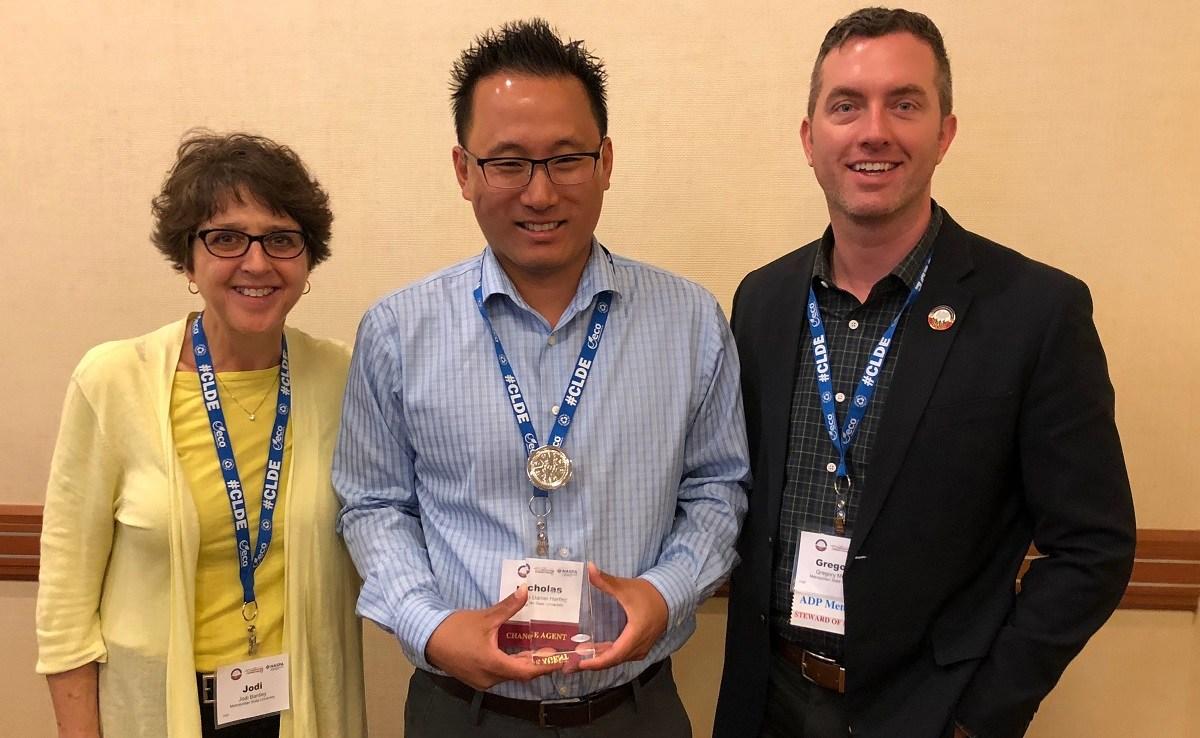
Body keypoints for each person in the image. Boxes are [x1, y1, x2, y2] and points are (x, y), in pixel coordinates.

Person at [714, 8, 1135, 738]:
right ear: (811, 139)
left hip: (930, 715)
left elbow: (1093, 546)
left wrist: (984, 715)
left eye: (904, 103)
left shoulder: (1037, 312)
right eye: (846, 105)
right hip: (766, 698)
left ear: (944, 132)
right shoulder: (763, 300)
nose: (873, 130)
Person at [334, 18, 749, 738]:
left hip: (634, 710)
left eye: (565, 159)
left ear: (606, 161)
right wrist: (431, 627)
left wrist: (666, 593)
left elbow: (717, 488)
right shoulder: (398, 331)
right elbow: (373, 505)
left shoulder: (691, 322)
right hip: (460, 712)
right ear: (464, 170)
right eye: (508, 162)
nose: (539, 192)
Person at [36, 131, 366, 738]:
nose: (257, 262)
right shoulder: (113, 381)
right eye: (226, 238)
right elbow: (65, 609)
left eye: (282, 239)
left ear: (308, 260)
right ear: (187, 260)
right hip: (159, 710)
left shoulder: (344, 377)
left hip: (302, 706)